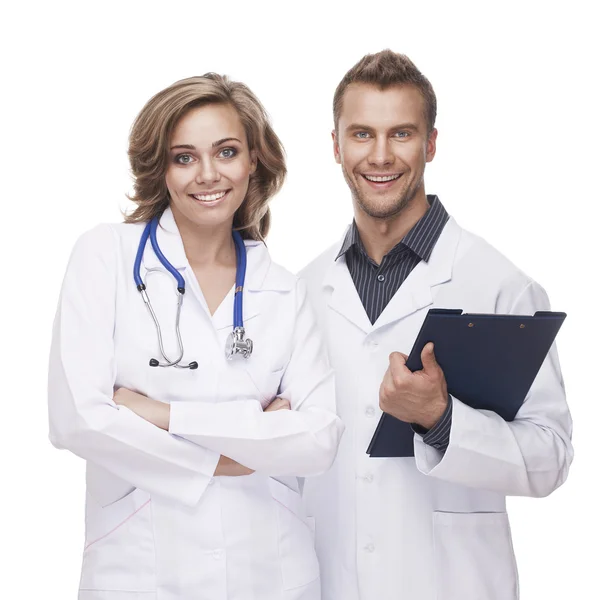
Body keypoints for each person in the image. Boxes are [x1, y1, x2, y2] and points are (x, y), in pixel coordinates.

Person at [48, 73, 344, 600]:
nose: (207, 174)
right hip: (140, 568)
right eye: (184, 157)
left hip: (270, 569)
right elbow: (78, 418)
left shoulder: (283, 290)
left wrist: (163, 416)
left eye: (226, 152)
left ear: (253, 160)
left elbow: (317, 440)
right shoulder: (106, 257)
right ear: (160, 168)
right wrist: (237, 453)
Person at [300, 50, 573, 600]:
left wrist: (442, 420)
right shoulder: (302, 291)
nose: (380, 156)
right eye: (361, 134)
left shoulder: (497, 284)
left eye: (401, 134)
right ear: (335, 146)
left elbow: (550, 456)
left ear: (430, 144)